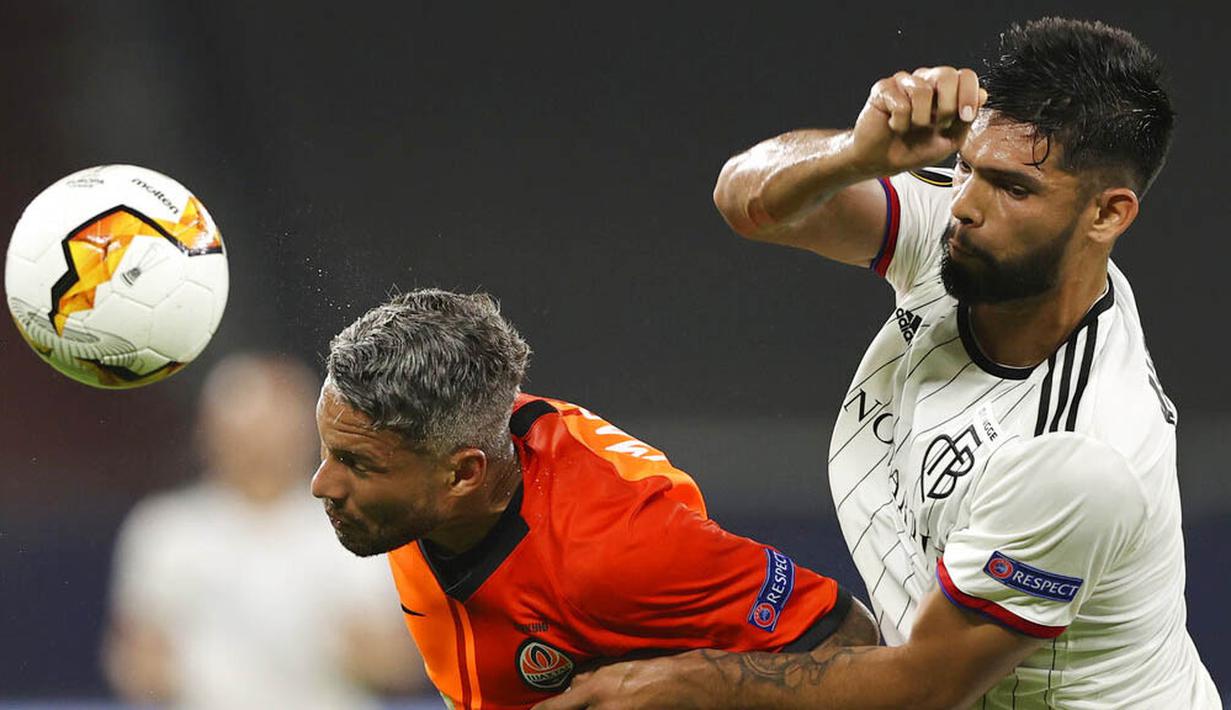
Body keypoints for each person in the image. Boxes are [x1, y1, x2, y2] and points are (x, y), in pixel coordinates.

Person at [535, 17, 1221, 709]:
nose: (967, 206)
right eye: (966, 168)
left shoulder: (1078, 452)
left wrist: (681, 682)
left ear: (1108, 214)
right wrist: (854, 155)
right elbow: (743, 201)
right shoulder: (965, 227)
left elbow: (923, 687)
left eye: (1013, 189)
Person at [310, 288, 879, 710]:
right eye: (328, 451)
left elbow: (854, 644)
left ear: (463, 475)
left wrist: (691, 683)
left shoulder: (617, 547)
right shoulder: (431, 445)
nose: (322, 485)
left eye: (356, 464)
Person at [104, 353, 425, 709]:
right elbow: (137, 665)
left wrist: (361, 652)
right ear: (209, 433)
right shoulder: (167, 530)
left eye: (272, 427)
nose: (259, 445)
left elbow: (400, 664)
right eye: (245, 428)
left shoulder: (362, 523)